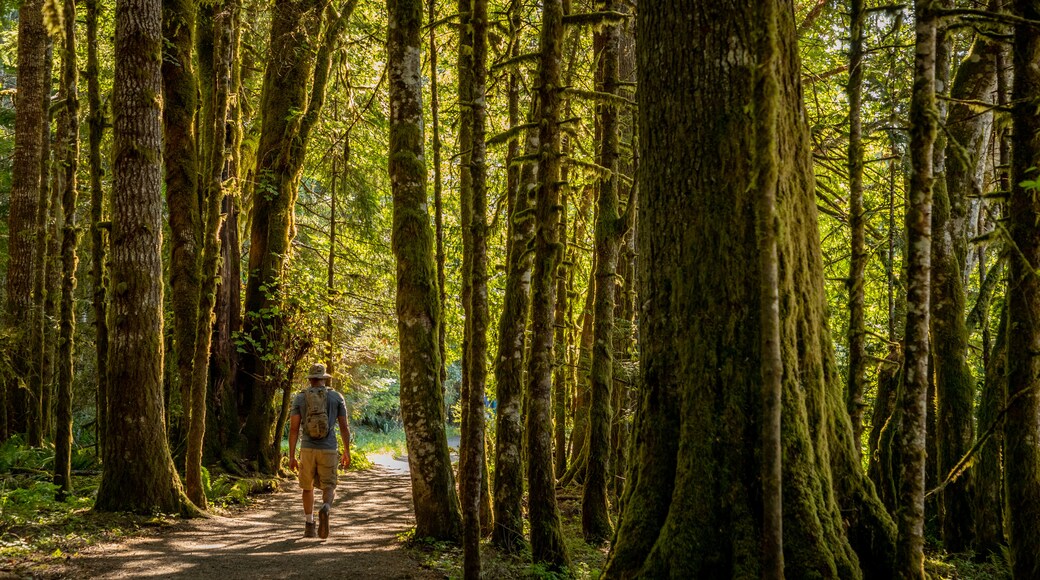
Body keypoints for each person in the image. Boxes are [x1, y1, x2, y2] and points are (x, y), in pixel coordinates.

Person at [289, 363, 351, 538]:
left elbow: (294, 429)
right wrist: (347, 451)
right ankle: (326, 507)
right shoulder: (336, 397)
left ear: (310, 379)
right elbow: (344, 427)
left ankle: (309, 524)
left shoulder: (300, 398)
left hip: (307, 449)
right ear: (324, 378)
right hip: (329, 449)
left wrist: (292, 456)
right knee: (329, 485)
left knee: (307, 487)